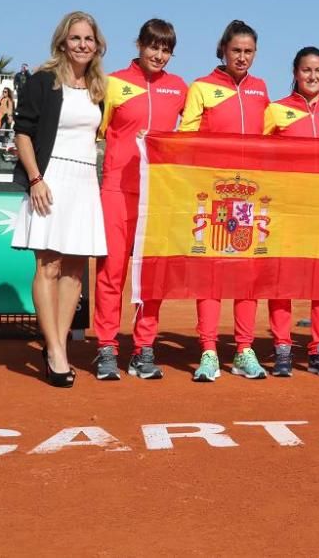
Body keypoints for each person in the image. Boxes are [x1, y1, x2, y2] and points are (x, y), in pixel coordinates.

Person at [11, 10, 109, 388]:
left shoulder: (99, 88)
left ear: (97, 45)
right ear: (62, 43)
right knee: (48, 266)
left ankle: (59, 346)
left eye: (89, 39)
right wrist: (36, 179)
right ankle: (54, 350)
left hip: (85, 182)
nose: (83, 45)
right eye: (76, 38)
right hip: (50, 179)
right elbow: (23, 133)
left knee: (74, 271)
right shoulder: (41, 82)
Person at [92, 19, 188, 382]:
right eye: (153, 46)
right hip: (116, 190)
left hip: (157, 197)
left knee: (151, 278)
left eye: (166, 49)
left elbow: (195, 135)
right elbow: (93, 133)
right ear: (139, 44)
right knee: (111, 272)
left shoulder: (179, 89)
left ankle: (143, 349)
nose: (159, 55)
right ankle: (105, 347)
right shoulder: (114, 83)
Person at [179, 20, 270, 382]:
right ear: (223, 50)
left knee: (246, 275)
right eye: (236, 51)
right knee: (212, 275)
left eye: (248, 52)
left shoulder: (261, 89)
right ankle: (209, 352)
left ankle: (245, 350)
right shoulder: (201, 88)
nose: (242, 57)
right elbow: (185, 137)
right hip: (213, 194)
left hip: (249, 195)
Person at [261, 46, 319, 377]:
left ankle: (318, 347)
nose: (313, 76)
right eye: (307, 70)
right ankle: (282, 346)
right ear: (295, 73)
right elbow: (259, 153)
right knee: (281, 280)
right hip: (287, 209)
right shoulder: (277, 110)